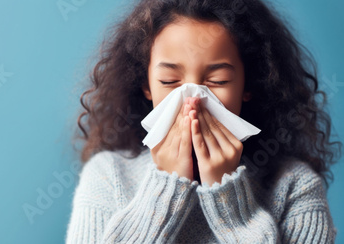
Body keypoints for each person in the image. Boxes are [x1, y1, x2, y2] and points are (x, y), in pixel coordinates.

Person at [66, 0, 342, 243]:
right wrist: (165, 189)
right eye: (170, 82)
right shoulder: (107, 175)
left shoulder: (295, 185)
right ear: (146, 85)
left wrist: (228, 196)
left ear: (248, 84)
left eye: (217, 81)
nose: (192, 101)